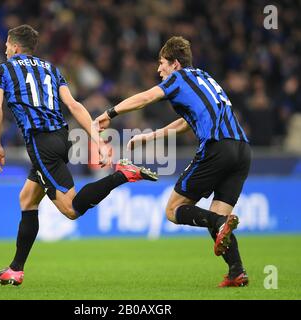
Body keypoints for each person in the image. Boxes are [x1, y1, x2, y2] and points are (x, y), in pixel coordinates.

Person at [0, 25, 157, 286]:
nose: (5, 50)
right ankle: (16, 269)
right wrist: (98, 141)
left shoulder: (2, 71)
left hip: (40, 142)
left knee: (71, 209)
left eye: (7, 46)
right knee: (27, 199)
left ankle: (122, 175)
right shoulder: (52, 69)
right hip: (62, 138)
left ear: (15, 47)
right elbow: (75, 105)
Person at [95, 36, 251, 287]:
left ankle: (221, 224)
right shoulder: (205, 78)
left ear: (175, 64)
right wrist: (151, 136)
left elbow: (145, 98)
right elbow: (186, 121)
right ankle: (236, 271)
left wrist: (109, 113)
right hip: (242, 150)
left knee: (173, 209)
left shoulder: (178, 79)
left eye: (162, 63)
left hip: (217, 147)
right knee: (217, 216)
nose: (159, 70)